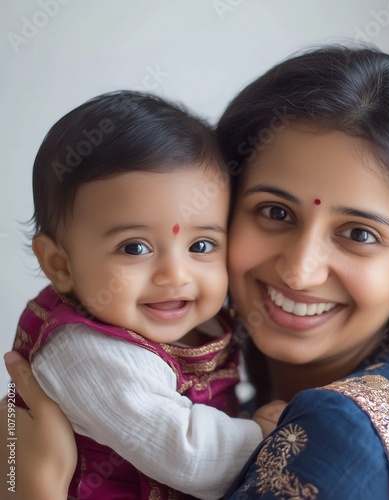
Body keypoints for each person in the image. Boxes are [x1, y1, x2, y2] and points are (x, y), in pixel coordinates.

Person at [3, 45, 389, 499]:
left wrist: (32, 489)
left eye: (360, 234)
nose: (300, 272)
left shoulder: (336, 436)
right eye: (276, 213)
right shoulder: (129, 355)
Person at [7, 91, 285, 500]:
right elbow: (187, 454)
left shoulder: (199, 316)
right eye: (135, 248)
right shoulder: (85, 351)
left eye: (202, 246)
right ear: (61, 265)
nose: (175, 274)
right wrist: (260, 436)